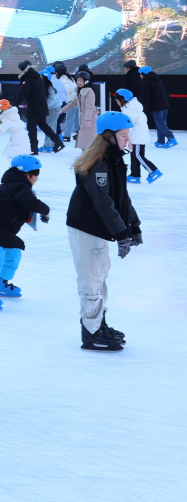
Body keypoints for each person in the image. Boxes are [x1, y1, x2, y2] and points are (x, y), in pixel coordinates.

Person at [68, 111, 140, 351]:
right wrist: (121, 234)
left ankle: (98, 323)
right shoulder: (100, 163)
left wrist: (133, 226)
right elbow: (102, 202)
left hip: (99, 228)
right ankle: (91, 334)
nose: (127, 140)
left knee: (100, 276)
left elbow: (122, 198)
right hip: (87, 227)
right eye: (124, 135)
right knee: (91, 280)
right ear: (109, 136)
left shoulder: (114, 159)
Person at [0, 155, 50, 311]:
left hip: (2, 229)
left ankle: (0, 284)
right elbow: (30, 202)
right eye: (36, 177)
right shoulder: (19, 187)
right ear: (27, 175)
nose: (35, 180)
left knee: (14, 252)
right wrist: (45, 211)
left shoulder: (15, 187)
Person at [15, 60, 64, 155]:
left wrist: (14, 106)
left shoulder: (29, 79)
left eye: (21, 70)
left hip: (35, 107)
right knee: (43, 125)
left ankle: (33, 149)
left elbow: (22, 94)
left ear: (23, 69)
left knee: (31, 127)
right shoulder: (37, 77)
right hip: (41, 106)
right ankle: (58, 142)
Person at [113, 88, 161, 183]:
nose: (117, 103)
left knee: (138, 155)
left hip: (138, 138)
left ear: (123, 100)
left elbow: (128, 126)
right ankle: (135, 174)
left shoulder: (129, 111)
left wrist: (125, 137)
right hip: (137, 136)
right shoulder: (131, 108)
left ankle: (153, 171)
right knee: (134, 156)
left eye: (117, 101)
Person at [60, 69, 97, 151]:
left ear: (86, 81)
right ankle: (85, 157)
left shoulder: (89, 91)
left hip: (90, 119)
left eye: (81, 80)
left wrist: (88, 119)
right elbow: (73, 103)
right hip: (83, 119)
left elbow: (89, 106)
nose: (79, 82)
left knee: (88, 139)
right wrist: (62, 110)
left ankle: (87, 158)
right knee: (84, 140)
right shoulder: (79, 92)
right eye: (78, 80)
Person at [139, 66, 176, 148]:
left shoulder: (146, 82)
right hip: (165, 105)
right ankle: (160, 141)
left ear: (143, 74)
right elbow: (165, 92)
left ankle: (171, 138)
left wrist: (143, 108)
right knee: (162, 123)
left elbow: (145, 97)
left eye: (140, 74)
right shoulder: (157, 80)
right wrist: (170, 101)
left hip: (157, 106)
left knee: (160, 123)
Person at [53, 61, 77, 141]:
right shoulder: (68, 77)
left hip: (70, 101)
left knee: (69, 118)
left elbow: (67, 89)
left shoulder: (63, 79)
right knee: (72, 118)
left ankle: (66, 135)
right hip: (74, 100)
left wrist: (61, 95)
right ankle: (69, 134)